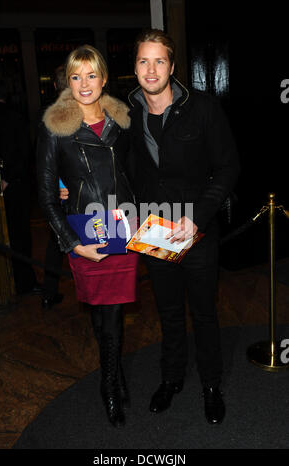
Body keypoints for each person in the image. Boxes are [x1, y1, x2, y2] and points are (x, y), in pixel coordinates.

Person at [127, 29, 240, 424]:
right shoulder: (129, 112)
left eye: (159, 61)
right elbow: (129, 172)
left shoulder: (203, 108)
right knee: (169, 312)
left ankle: (211, 384)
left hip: (197, 231)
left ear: (172, 67)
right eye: (144, 61)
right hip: (154, 230)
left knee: (204, 313)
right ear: (136, 67)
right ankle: (171, 378)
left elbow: (228, 168)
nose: (151, 69)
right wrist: (129, 210)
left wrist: (198, 215)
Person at [36, 45, 138, 428]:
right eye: (75, 76)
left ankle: (112, 380)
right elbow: (46, 195)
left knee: (112, 311)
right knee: (101, 311)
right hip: (86, 231)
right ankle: (111, 383)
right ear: (66, 80)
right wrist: (71, 243)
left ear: (104, 78)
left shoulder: (122, 120)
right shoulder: (54, 125)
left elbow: (132, 174)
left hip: (122, 226)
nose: (83, 84)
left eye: (91, 75)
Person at [0, 78, 42, 296]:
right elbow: (24, 154)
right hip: (16, 186)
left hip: (6, 185)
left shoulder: (2, 118)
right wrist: (10, 178)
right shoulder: (15, 117)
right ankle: (24, 282)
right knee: (20, 236)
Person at [41, 65, 67, 311]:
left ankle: (48, 293)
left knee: (55, 245)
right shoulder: (57, 116)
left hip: (60, 192)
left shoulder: (49, 113)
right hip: (66, 192)